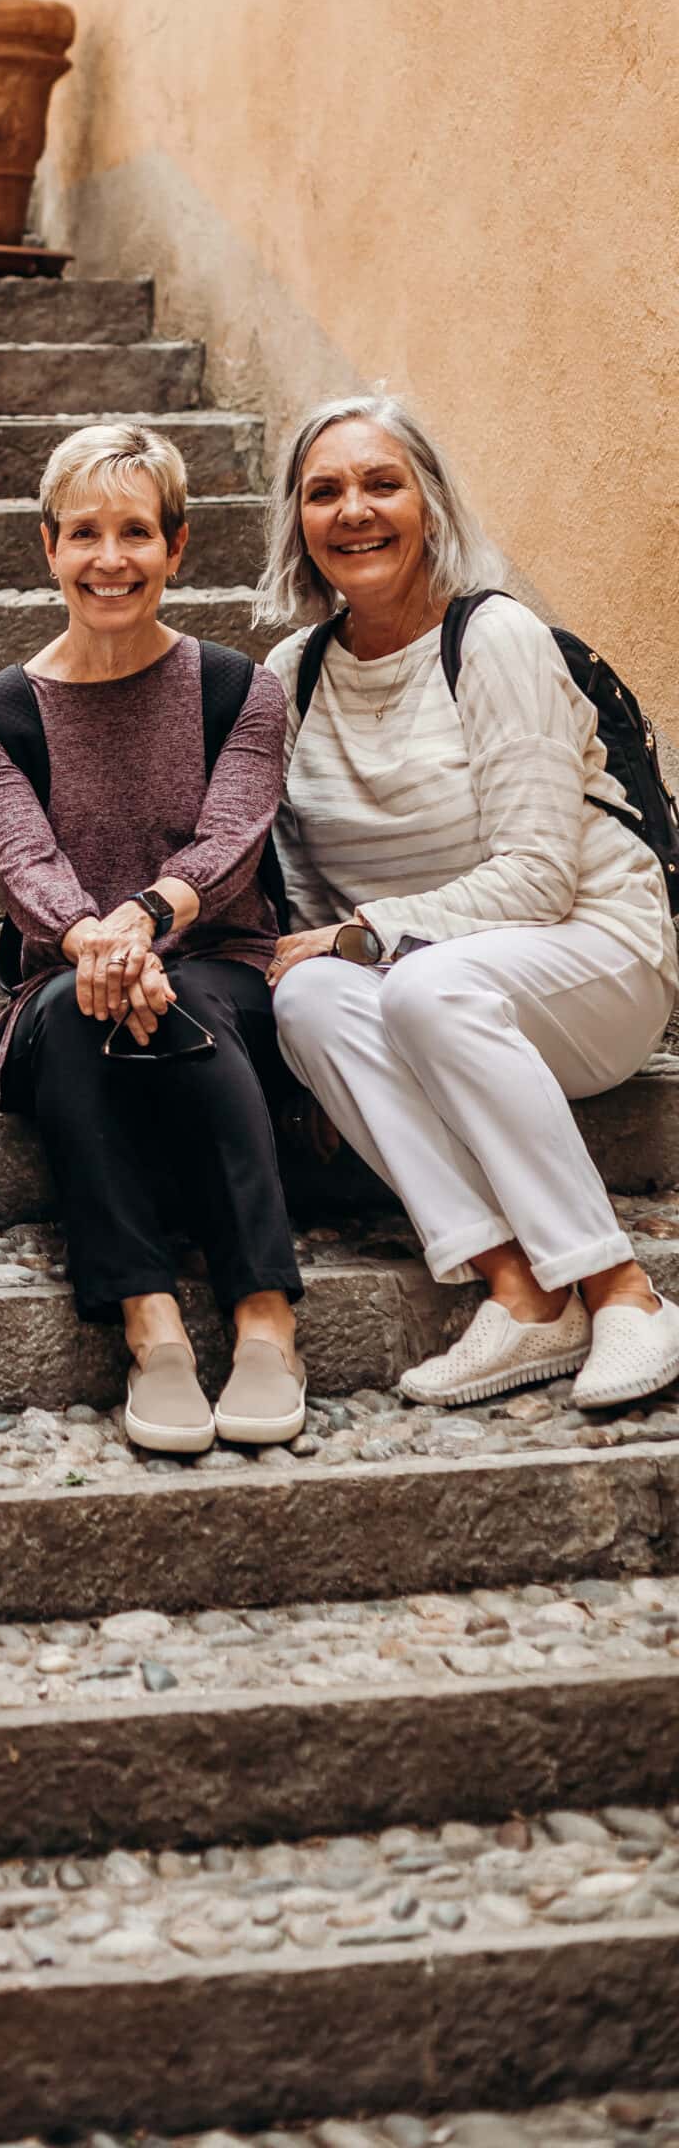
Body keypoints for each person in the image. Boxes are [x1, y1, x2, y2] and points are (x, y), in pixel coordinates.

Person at [262, 394, 679, 1410]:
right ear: (297, 525)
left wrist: (362, 937)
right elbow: (308, 898)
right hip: (433, 981)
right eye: (324, 492)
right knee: (303, 1001)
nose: (352, 511)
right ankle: (521, 1296)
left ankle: (622, 1289)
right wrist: (339, 957)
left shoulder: (492, 638)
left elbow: (539, 878)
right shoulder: (291, 675)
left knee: (416, 984)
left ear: (429, 505)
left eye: (379, 484)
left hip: (591, 953)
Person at [0, 421, 303, 1454]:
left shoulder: (240, 690)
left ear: (177, 547)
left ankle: (263, 1318)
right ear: (47, 546)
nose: (110, 561)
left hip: (215, 966)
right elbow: (25, 869)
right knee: (71, 1015)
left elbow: (231, 841)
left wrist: (141, 927)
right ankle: (148, 1322)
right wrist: (97, 947)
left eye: (136, 534)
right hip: (60, 985)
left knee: (188, 998)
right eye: (84, 535)